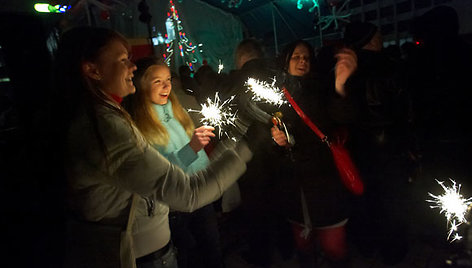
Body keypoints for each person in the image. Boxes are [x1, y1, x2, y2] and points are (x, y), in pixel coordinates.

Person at [51, 26, 252, 268]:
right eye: (124, 60)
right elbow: (183, 189)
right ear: (92, 70)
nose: (132, 67)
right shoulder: (107, 127)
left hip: (172, 217)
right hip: (142, 249)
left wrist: (235, 137)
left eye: (168, 79)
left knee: (211, 250)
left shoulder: (147, 113)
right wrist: (250, 144)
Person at [123, 56, 224, 268]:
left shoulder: (176, 110)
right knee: (187, 255)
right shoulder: (139, 125)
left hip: (201, 195)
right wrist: (192, 148)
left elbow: (197, 156)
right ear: (141, 84)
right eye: (157, 81)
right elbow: (161, 173)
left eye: (168, 79)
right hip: (175, 205)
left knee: (212, 251)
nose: (166, 85)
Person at [270, 39, 358, 267]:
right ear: (286, 61)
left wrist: (340, 85)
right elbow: (269, 140)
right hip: (294, 186)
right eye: (296, 57)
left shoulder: (322, 87)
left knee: (334, 248)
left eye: (307, 57)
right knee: (304, 246)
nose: (302, 61)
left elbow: (343, 117)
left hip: (325, 181)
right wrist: (278, 141)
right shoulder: (275, 95)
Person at [342, 21, 416, 265]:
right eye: (378, 35)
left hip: (358, 147)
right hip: (389, 146)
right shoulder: (390, 67)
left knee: (366, 198)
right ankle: (393, 250)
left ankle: (366, 245)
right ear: (371, 40)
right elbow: (403, 110)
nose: (382, 38)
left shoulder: (346, 70)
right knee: (392, 200)